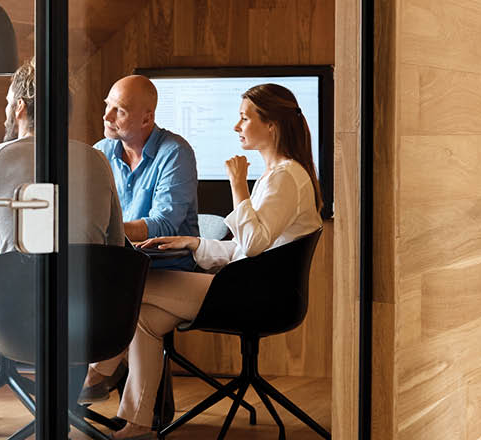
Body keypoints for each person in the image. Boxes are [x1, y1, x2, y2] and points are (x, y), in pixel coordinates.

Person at [82, 84, 324, 440]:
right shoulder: (281, 175)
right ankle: (137, 423)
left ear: (271, 125)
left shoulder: (286, 176)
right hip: (251, 286)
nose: (236, 126)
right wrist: (193, 242)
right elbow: (243, 248)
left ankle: (98, 370)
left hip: (259, 296)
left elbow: (254, 246)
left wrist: (238, 185)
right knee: (146, 320)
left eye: (244, 118)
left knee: (135, 286)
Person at [0, 59, 126, 440]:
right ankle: (57, 422)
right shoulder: (97, 158)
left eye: (8, 101)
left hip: (14, 322)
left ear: (20, 106)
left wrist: (0, 240)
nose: (6, 109)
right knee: (73, 301)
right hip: (90, 322)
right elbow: (115, 247)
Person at [94, 75, 199, 270]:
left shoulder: (176, 153)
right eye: (108, 105)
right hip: (119, 264)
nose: (107, 116)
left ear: (146, 118)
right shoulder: (101, 151)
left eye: (120, 111)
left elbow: (164, 225)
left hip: (165, 268)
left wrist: (106, 231)